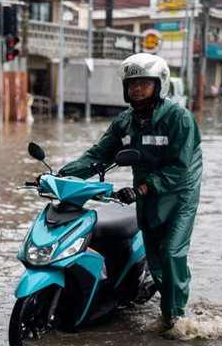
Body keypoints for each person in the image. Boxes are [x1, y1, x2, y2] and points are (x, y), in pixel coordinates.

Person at [57, 53, 203, 331]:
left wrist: (144, 189)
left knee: (171, 253)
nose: (137, 89)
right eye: (132, 84)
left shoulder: (179, 119)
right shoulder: (124, 122)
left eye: (144, 84)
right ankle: (167, 309)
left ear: (159, 85)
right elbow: (99, 155)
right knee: (157, 260)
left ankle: (176, 318)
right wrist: (61, 175)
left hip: (179, 195)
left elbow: (180, 168)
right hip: (145, 193)